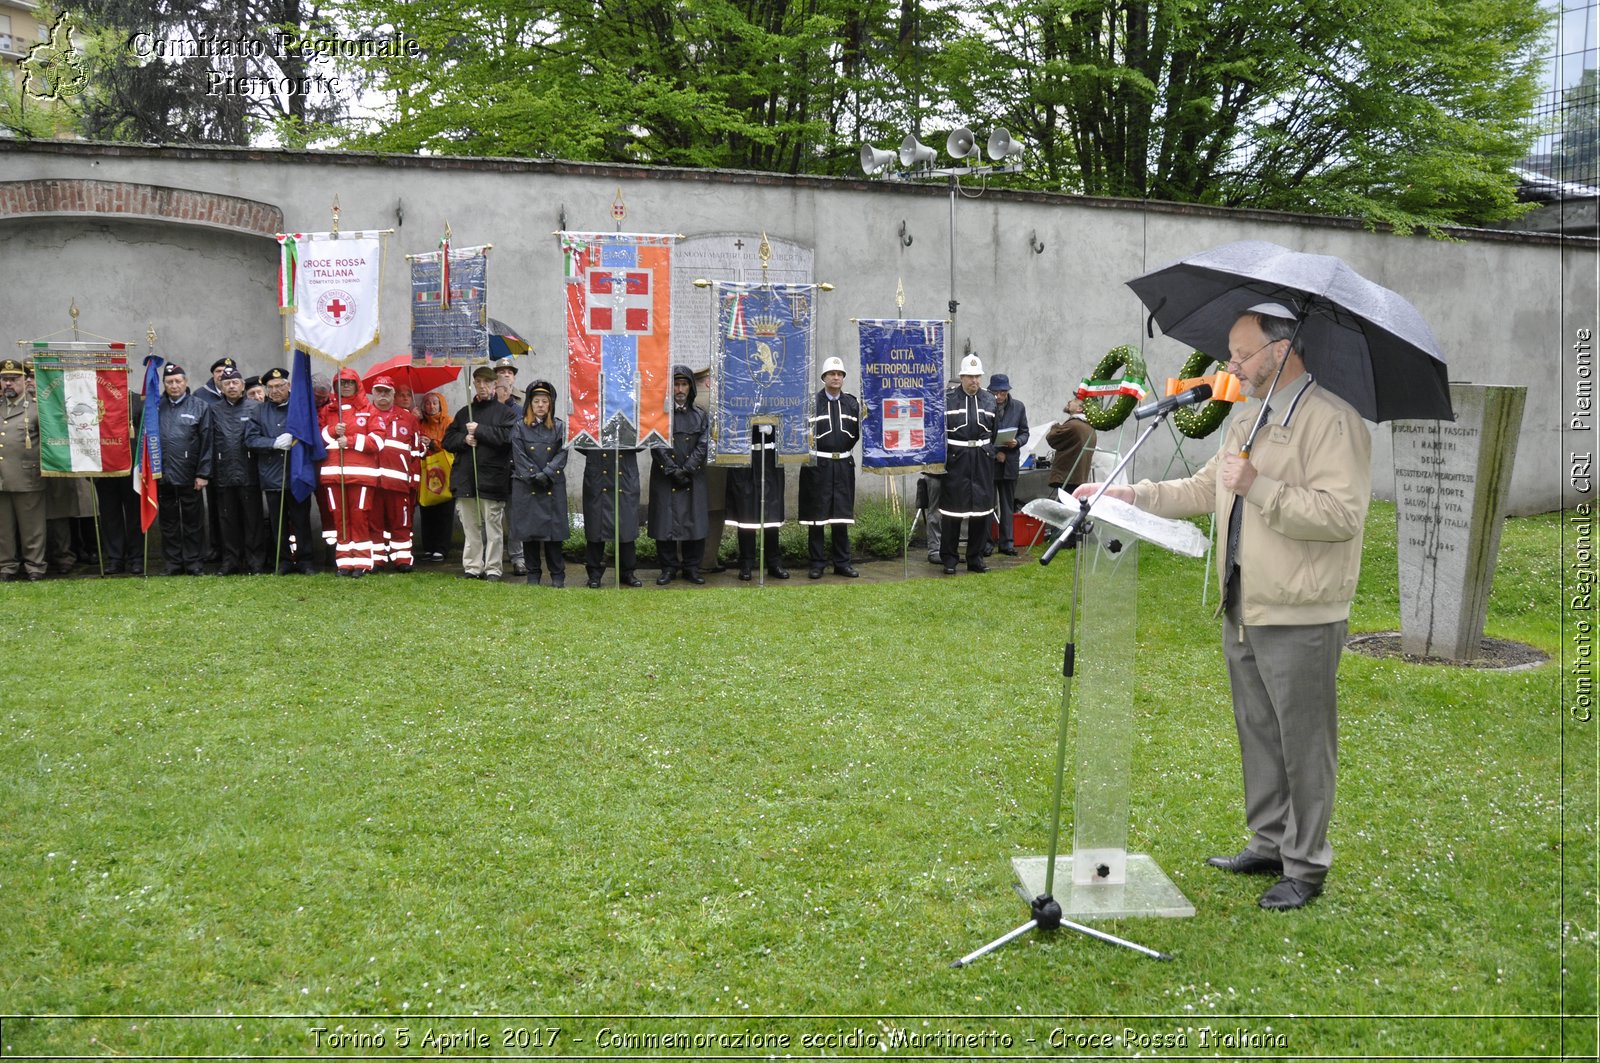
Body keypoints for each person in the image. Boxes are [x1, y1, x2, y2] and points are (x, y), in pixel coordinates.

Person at [1074, 303, 1371, 911]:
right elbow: (1207, 486)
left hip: (1301, 612)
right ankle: (1268, 842)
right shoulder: (1249, 416)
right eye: (1232, 354)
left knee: (1304, 741)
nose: (1231, 364)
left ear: (1281, 351)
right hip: (1245, 602)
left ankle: (1306, 864)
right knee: (1258, 730)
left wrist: (1258, 486)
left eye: (1241, 353)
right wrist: (1132, 493)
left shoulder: (1332, 421)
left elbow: (1342, 517)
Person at [443, 365, 515, 579]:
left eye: (487, 382)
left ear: (495, 385)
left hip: (492, 480)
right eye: (478, 382)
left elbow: (508, 439)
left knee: (493, 528)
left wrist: (480, 430)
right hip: (466, 479)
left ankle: (493, 568)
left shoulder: (506, 413)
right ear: (473, 384)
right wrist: (464, 439)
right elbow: (447, 441)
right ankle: (473, 566)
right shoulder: (464, 413)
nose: (482, 386)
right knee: (471, 527)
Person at [245, 366, 315, 574]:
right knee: (279, 523)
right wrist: (273, 443)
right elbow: (250, 440)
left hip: (297, 474)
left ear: (288, 386)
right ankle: (283, 560)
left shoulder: (300, 408)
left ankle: (305, 560)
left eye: (280, 386)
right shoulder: (259, 411)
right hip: (273, 475)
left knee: (301, 521)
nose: (275, 391)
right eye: (271, 387)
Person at [798, 356, 861, 578]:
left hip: (843, 464)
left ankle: (842, 563)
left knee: (841, 516)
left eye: (840, 374)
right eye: (832, 374)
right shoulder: (811, 403)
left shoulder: (852, 404)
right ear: (823, 377)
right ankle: (817, 563)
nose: (836, 377)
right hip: (818, 465)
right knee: (817, 517)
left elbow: (855, 435)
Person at [648, 365, 710, 585]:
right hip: (665, 477)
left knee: (695, 521)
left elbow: (704, 444)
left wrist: (688, 468)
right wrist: (672, 470)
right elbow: (655, 443)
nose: (680, 389)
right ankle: (668, 568)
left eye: (684, 384)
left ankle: (692, 568)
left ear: (691, 387)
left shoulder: (701, 416)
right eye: (676, 384)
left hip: (693, 476)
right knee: (664, 523)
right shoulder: (659, 414)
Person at [318, 367, 382, 577]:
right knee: (339, 517)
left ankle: (362, 561)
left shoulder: (369, 410)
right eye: (341, 383)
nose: (345, 386)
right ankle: (344, 562)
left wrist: (351, 441)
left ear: (357, 384)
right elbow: (317, 439)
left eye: (349, 382)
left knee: (359, 516)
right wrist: (331, 431)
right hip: (333, 474)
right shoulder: (327, 411)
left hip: (361, 475)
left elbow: (378, 441)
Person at [939, 353, 996, 575]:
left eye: (978, 377)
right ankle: (950, 559)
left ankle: (975, 558)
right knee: (952, 512)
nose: (974, 381)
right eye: (970, 377)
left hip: (981, 459)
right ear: (962, 377)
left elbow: (995, 430)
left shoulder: (989, 399)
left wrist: (989, 452)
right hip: (957, 459)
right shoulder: (947, 399)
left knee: (981, 512)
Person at [509, 380, 570, 587]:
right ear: (530, 404)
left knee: (553, 536)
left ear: (550, 404)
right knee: (529, 534)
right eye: (536, 401)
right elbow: (518, 455)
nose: (541, 405)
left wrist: (547, 474)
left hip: (551, 485)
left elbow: (563, 452)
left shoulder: (560, 427)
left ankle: (557, 575)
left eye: (545, 401)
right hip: (527, 486)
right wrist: (535, 475)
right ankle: (533, 574)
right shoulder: (519, 427)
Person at [155, 363, 214, 576]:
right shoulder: (156, 407)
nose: (174, 385)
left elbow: (207, 442)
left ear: (186, 382)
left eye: (178, 381)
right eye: (169, 382)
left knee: (193, 523)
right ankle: (173, 563)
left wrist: (203, 474)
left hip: (190, 476)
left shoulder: (199, 406)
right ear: (164, 384)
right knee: (168, 523)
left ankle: (194, 562)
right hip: (163, 475)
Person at [208, 366, 266, 574]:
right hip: (223, 474)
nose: (231, 386)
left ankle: (255, 561)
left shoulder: (255, 408)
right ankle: (230, 560)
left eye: (235, 383)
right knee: (227, 520)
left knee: (253, 521)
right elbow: (209, 443)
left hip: (250, 473)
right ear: (221, 388)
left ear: (242, 386)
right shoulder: (213, 410)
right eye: (227, 384)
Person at [368, 376, 423, 572]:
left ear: (393, 394)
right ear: (372, 393)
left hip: (399, 483)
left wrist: (413, 483)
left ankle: (402, 560)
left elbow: (416, 454)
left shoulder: (408, 418)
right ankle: (377, 559)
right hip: (372, 481)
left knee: (401, 522)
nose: (383, 395)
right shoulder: (364, 415)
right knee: (374, 523)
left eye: (387, 392)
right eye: (379, 391)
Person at [0, 358, 46, 581]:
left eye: (13, 379)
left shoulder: (36, 409)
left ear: (23, 380)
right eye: (4, 379)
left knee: (32, 527)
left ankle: (35, 566)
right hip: (1, 478)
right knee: (3, 529)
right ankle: (7, 566)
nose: (8, 383)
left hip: (27, 476)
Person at [726, 422, 788, 581]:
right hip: (744, 458)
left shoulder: (776, 397)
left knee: (771, 514)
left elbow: (790, 423)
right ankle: (746, 562)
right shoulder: (739, 397)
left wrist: (773, 429)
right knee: (746, 514)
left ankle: (773, 562)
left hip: (770, 459)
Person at [578, 442, 643, 589]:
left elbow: (642, 441)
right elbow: (579, 441)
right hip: (598, 470)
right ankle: (594, 574)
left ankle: (627, 572)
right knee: (595, 525)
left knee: (626, 526)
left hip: (624, 472)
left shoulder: (631, 418)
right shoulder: (592, 418)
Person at [987, 372, 1028, 556]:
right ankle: (987, 543)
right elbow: (981, 434)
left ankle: (1007, 543)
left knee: (1007, 505)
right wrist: (996, 453)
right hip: (990, 463)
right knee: (989, 505)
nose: (999, 396)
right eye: (996, 392)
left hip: (1010, 463)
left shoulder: (1018, 407)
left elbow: (1025, 432)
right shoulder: (985, 405)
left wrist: (1017, 442)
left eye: (1003, 392)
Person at [493, 360, 526, 575]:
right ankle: (492, 557)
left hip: (514, 468)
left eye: (509, 372)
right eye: (501, 372)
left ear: (514, 378)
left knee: (516, 517)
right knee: (492, 517)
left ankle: (518, 558)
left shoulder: (521, 406)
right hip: (493, 468)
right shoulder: (487, 404)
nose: (506, 375)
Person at [416, 391, 455, 562]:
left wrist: (432, 443)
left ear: (441, 405)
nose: (430, 406)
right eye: (427, 403)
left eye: (434, 403)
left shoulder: (449, 422)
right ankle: (429, 547)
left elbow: (450, 443)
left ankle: (441, 548)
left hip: (445, 471)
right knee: (427, 509)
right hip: (426, 470)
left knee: (444, 511)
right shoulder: (419, 423)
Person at [1046, 397, 1097, 495]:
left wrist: (1055, 426)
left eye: (1074, 400)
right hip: (1079, 477)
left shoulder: (1073, 425)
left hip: (1068, 477)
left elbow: (1051, 438)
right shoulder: (1089, 427)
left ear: (1079, 409)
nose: (1069, 401)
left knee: (1065, 507)